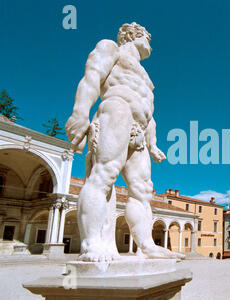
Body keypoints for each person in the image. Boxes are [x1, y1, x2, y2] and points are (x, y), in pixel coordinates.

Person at [65, 22, 183, 262]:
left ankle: (146, 245)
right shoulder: (111, 48)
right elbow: (92, 78)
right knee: (104, 175)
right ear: (133, 35)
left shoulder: (145, 75)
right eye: (147, 37)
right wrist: (80, 112)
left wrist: (152, 143)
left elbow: (148, 113)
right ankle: (92, 243)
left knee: (143, 190)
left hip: (139, 129)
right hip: (116, 110)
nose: (150, 42)